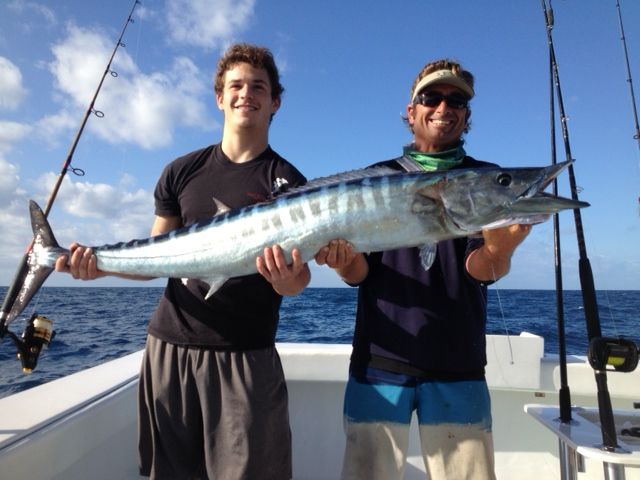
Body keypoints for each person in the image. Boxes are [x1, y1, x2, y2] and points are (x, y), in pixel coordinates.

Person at [55, 43, 310, 479]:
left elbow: (297, 279)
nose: (245, 93)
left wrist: (287, 280)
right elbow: (157, 257)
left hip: (244, 357)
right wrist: (96, 265)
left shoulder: (290, 183)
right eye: (235, 85)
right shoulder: (181, 171)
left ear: (275, 102)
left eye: (258, 87)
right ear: (219, 97)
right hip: (169, 350)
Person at [315, 59, 532, 480]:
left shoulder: (485, 179)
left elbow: (479, 268)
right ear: (411, 111)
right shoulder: (374, 180)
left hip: (458, 365)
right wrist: (344, 263)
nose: (443, 107)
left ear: (466, 117)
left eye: (457, 100)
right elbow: (362, 273)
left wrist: (499, 252)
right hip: (379, 361)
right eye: (431, 97)